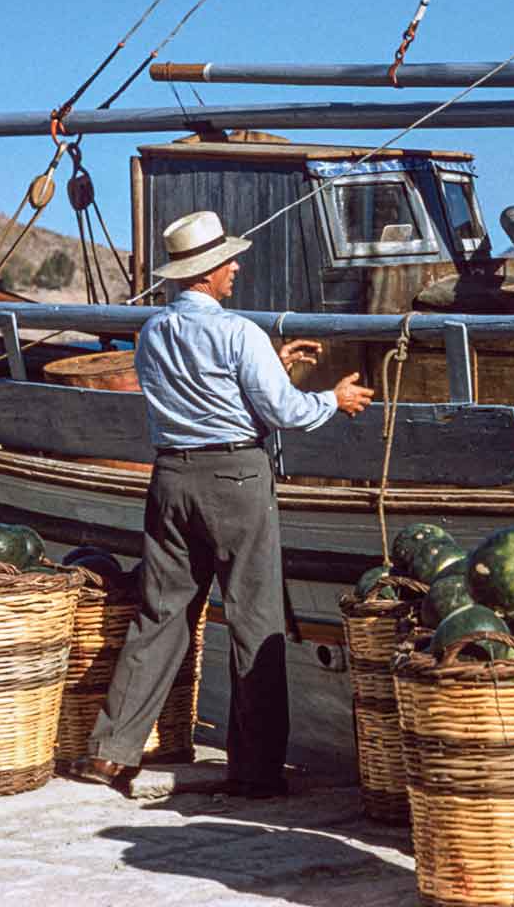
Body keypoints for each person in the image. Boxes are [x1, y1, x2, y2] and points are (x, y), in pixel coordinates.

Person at [70, 209, 374, 798]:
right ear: (206, 272)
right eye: (228, 260)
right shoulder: (240, 334)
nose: (236, 267)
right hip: (235, 477)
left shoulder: (153, 332)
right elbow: (284, 413)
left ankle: (109, 752)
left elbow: (198, 392)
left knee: (160, 615)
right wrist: (333, 399)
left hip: (171, 479)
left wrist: (273, 369)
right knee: (254, 620)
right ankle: (255, 770)